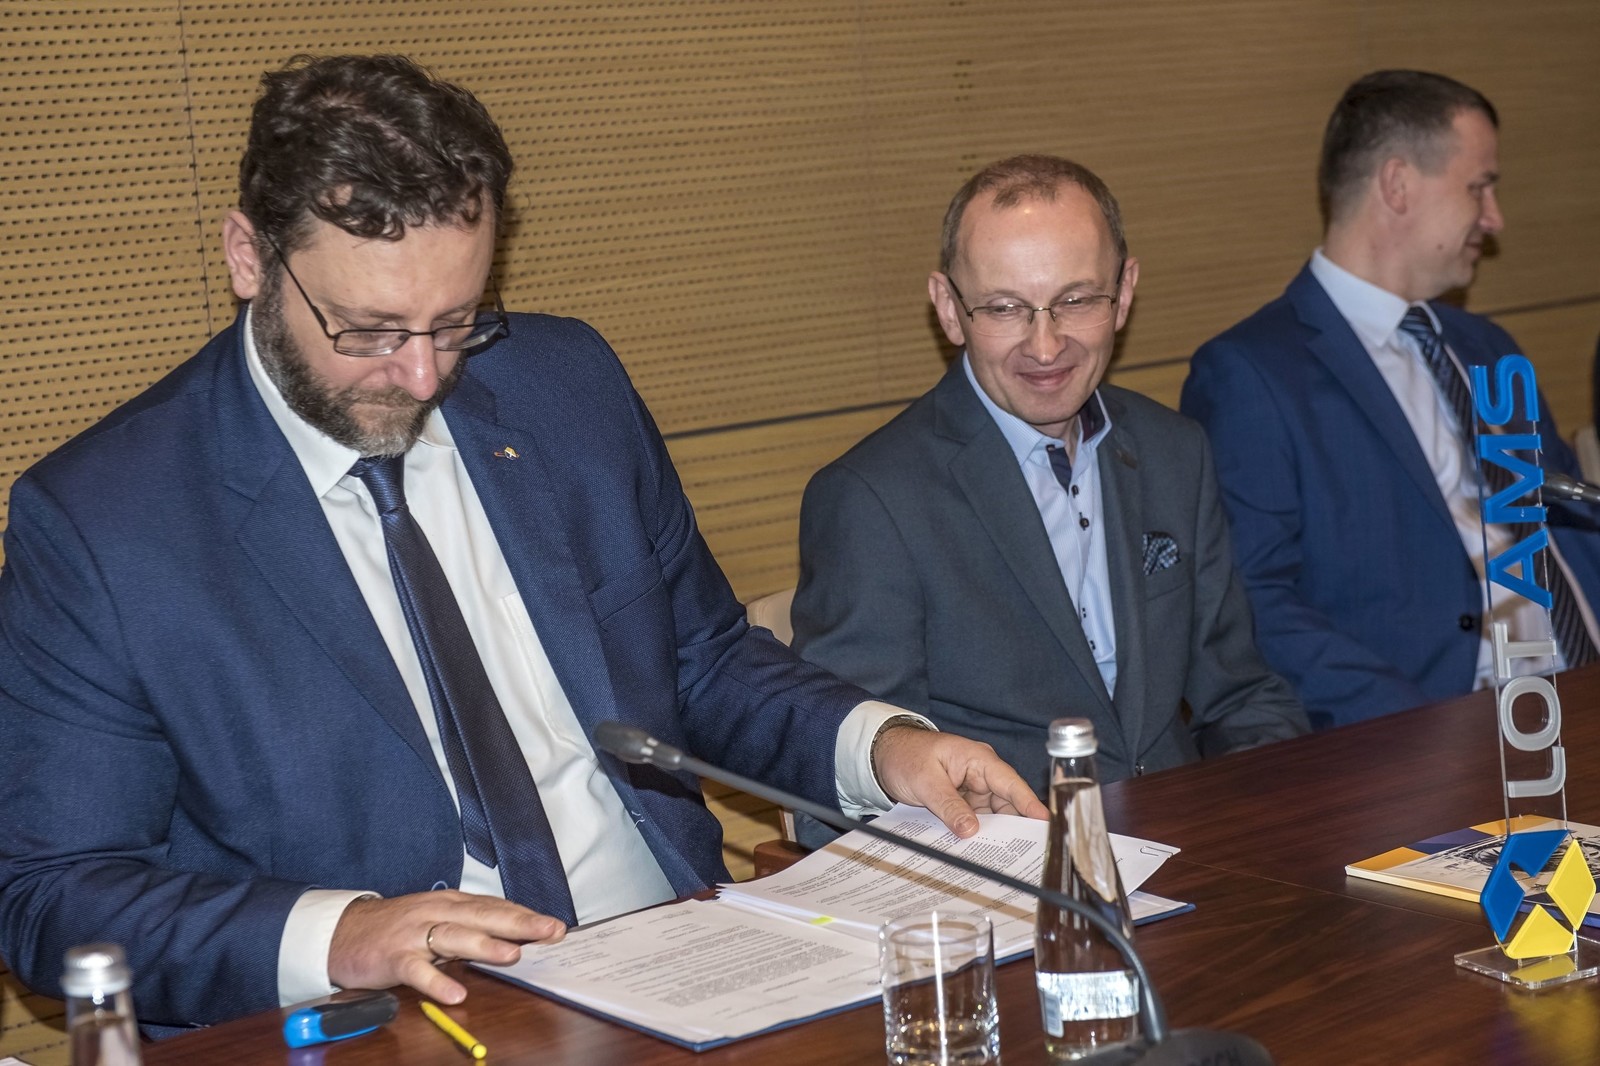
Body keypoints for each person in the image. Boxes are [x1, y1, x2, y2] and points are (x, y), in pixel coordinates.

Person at [0, 54, 1047, 1032]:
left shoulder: (565, 387)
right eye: (371, 330)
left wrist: (879, 747)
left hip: (677, 964)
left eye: (457, 321)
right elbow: (52, 893)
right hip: (387, 1027)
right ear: (249, 256)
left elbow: (700, 659)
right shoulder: (107, 524)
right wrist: (341, 934)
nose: (422, 376)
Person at [790, 154, 1307, 799]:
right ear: (949, 309)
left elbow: (1241, 695)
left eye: (1075, 300)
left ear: (1124, 292)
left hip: (1191, 829)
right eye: (1005, 308)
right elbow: (850, 760)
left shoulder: (1175, 451)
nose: (1045, 346)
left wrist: (1280, 811)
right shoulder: (873, 499)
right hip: (1005, 846)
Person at [1181, 70, 1600, 731]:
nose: (1495, 219)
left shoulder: (1488, 346)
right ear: (1398, 184)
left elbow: (1571, 525)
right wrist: (1427, 737)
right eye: (1480, 187)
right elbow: (1254, 602)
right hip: (1425, 728)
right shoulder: (1251, 374)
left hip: (1575, 698)